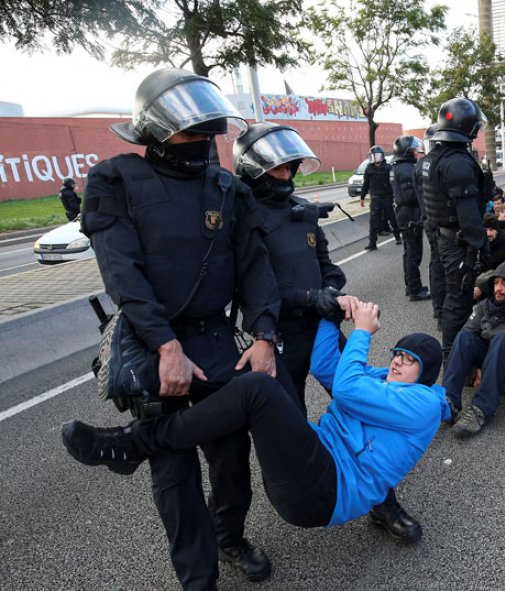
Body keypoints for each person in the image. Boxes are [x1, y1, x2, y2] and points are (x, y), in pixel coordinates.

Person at [79, 68, 281, 590]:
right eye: (192, 133)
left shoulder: (229, 189)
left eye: (210, 133)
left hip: (216, 340)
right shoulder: (115, 180)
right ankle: (199, 580)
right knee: (174, 476)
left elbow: (256, 267)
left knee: (232, 459)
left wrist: (263, 336)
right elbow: (121, 272)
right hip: (153, 341)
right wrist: (165, 345)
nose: (203, 143)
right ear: (154, 132)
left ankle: (230, 537)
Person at [63, 299, 452, 555]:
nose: (399, 362)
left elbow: (347, 389)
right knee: (264, 370)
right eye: (398, 353)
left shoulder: (422, 406)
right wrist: (331, 316)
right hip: (312, 463)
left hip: (324, 490)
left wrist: (363, 331)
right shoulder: (381, 379)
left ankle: (134, 443)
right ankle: (158, 411)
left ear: (425, 374)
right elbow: (325, 367)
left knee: (256, 391)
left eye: (410, 360)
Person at [232, 122, 347, 405]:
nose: (286, 176)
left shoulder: (302, 211)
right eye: (277, 169)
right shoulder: (243, 220)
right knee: (290, 418)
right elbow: (253, 289)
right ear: (253, 171)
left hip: (321, 322)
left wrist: (330, 291)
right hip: (279, 333)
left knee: (355, 396)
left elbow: (327, 267)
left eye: (289, 168)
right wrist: (309, 298)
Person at [420, 98, 489, 362]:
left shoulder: (434, 156)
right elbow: (468, 215)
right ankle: (453, 359)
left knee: (453, 296)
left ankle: (456, 354)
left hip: (443, 236)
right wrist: (481, 246)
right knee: (459, 301)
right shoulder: (458, 162)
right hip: (458, 242)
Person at [443, 261, 505, 438]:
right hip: (489, 366)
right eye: (496, 282)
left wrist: (497, 383)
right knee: (464, 337)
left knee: (504, 339)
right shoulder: (486, 305)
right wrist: (476, 373)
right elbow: (467, 334)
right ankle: (449, 401)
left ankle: (480, 410)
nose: (499, 288)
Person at [391, 134, 431, 301]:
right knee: (414, 254)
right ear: (406, 150)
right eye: (413, 148)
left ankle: (411, 286)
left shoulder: (396, 167)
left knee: (408, 253)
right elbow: (409, 196)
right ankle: (415, 289)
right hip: (411, 215)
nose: (416, 151)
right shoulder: (407, 169)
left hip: (403, 214)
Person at [415, 125, 445, 323]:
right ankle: (445, 312)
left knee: (436, 264)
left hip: (428, 220)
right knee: (445, 266)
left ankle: (438, 308)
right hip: (442, 223)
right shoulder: (440, 163)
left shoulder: (419, 165)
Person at [361, 145, 401, 251]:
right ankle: (372, 243)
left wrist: (396, 196)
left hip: (387, 197)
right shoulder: (369, 169)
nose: (375, 158)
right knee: (373, 221)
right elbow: (366, 184)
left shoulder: (388, 167)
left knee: (391, 217)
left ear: (382, 156)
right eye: (373, 156)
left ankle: (398, 237)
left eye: (377, 155)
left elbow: (394, 183)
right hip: (375, 198)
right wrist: (362, 197)